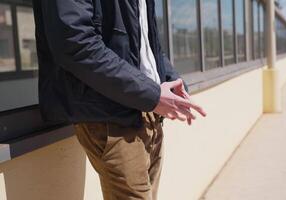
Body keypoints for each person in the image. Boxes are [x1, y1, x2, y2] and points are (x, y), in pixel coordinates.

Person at [32, 0, 206, 199]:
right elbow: (75, 43)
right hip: (111, 116)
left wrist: (170, 77)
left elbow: (146, 43)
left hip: (147, 111)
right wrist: (152, 94)